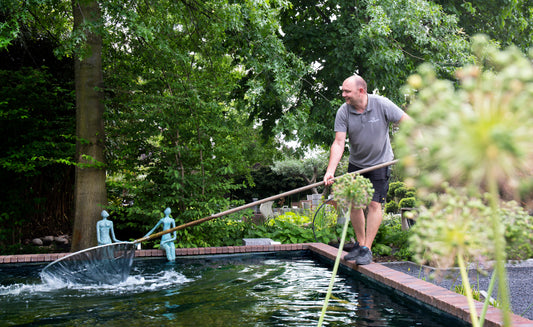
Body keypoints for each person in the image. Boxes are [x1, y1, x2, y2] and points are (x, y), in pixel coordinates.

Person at [323, 74, 410, 265]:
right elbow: (338, 143)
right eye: (343, 91)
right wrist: (331, 170)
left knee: (373, 204)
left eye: (347, 91)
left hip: (381, 162)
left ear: (361, 91)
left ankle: (367, 249)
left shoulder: (382, 104)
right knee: (355, 204)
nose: (343, 94)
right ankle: (361, 245)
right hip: (357, 165)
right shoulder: (344, 112)